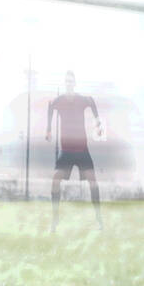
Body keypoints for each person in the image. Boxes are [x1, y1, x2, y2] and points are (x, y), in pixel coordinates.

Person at [47, 70, 104, 232]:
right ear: (65, 83)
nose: (69, 84)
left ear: (75, 83)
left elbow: (92, 101)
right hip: (66, 151)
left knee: (93, 181)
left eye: (71, 81)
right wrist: (48, 129)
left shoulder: (81, 99)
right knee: (55, 180)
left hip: (81, 149)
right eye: (67, 81)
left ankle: (99, 220)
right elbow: (50, 106)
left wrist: (98, 124)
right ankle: (55, 220)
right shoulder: (59, 101)